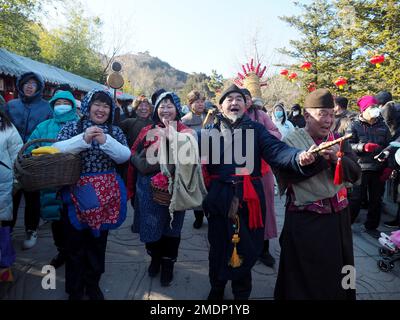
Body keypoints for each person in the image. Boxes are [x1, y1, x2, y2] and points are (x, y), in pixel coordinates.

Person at [201, 84, 322, 300]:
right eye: (229, 99)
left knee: (245, 245)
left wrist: (298, 156)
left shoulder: (256, 130)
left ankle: (241, 292)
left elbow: (277, 151)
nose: (234, 102)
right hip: (220, 196)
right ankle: (216, 287)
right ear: (220, 106)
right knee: (218, 245)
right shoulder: (209, 132)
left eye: (239, 98)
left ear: (246, 104)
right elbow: (200, 166)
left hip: (249, 197)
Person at [274, 88, 361, 300]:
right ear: (307, 115)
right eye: (322, 114)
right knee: (304, 272)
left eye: (332, 114)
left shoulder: (339, 139)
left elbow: (356, 173)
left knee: (343, 266)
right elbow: (286, 177)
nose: (329, 120)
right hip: (307, 219)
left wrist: (336, 159)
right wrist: (319, 159)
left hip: (339, 217)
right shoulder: (291, 142)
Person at [53, 89, 131, 300]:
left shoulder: (115, 132)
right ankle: (75, 290)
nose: (101, 109)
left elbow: (125, 156)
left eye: (106, 106)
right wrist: (83, 139)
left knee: (98, 243)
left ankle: (93, 284)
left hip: (105, 198)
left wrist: (105, 140)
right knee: (75, 245)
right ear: (87, 106)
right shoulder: (73, 127)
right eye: (97, 104)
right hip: (75, 196)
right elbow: (56, 150)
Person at [128, 90, 206, 287]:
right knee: (150, 228)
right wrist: (139, 166)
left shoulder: (186, 131)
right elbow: (133, 155)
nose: (165, 109)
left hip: (174, 191)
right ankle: (155, 258)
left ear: (177, 109)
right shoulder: (147, 130)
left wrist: (171, 139)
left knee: (172, 229)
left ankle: (168, 264)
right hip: (147, 191)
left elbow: (190, 155)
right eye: (162, 106)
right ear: (157, 110)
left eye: (170, 106)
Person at [27, 90, 79, 269]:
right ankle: (62, 251)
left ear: (72, 105)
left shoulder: (79, 125)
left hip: (74, 183)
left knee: (74, 221)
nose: (62, 105)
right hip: (49, 184)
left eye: (66, 102)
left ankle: (74, 253)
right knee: (56, 222)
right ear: (53, 105)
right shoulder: (44, 126)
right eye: (58, 103)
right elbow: (30, 146)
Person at [1, 72, 52, 249]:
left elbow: (48, 132)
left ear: (39, 88)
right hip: (10, 157)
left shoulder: (46, 108)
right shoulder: (11, 105)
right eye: (26, 83)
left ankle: (31, 230)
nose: (29, 86)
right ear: (20, 86)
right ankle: (8, 230)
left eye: (33, 84)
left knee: (32, 196)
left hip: (34, 158)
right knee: (11, 195)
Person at [242, 88, 281, 268]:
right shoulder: (227, 118)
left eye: (246, 98)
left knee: (265, 208)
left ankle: (263, 248)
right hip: (239, 172)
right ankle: (242, 245)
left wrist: (260, 133)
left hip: (262, 170)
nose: (242, 102)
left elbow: (277, 133)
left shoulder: (261, 115)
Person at [347, 96, 392, 238]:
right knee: (356, 199)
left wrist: (388, 166)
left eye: (376, 107)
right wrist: (362, 147)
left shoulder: (383, 126)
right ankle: (346, 225)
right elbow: (347, 145)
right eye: (371, 107)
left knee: (376, 200)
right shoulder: (354, 125)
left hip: (378, 168)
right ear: (364, 110)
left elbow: (390, 146)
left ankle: (371, 226)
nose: (375, 110)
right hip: (360, 168)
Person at [181, 90, 212, 229]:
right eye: (197, 101)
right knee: (197, 190)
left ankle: (211, 215)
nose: (200, 104)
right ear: (190, 103)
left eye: (202, 101)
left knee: (211, 190)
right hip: (195, 159)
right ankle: (198, 217)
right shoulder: (185, 120)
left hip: (212, 158)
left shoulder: (211, 116)